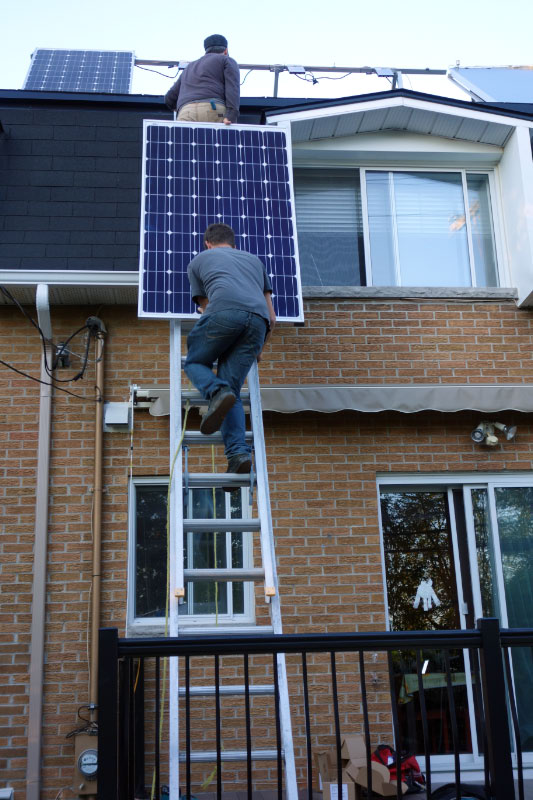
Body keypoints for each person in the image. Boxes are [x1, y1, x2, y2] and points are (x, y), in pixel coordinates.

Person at [184, 223, 276, 474]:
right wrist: (259, 348)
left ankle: (215, 391)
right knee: (232, 390)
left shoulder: (199, 260)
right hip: (258, 323)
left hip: (223, 313)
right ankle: (237, 454)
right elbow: (272, 317)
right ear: (233, 243)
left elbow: (206, 307)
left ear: (208, 243)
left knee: (193, 362)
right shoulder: (255, 262)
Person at [164, 34, 240, 125]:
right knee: (217, 139)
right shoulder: (226, 60)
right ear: (226, 50)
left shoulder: (189, 67)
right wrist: (230, 116)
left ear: (206, 51)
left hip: (186, 112)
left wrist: (184, 108)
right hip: (214, 110)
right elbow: (233, 89)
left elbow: (169, 98)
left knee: (185, 139)